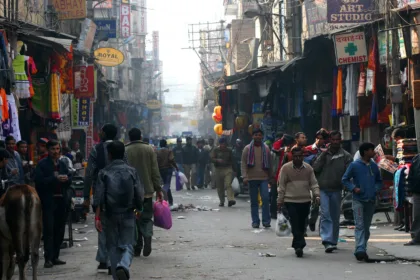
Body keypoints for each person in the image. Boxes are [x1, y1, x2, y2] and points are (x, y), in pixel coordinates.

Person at [94, 141, 144, 280]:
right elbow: (139, 193)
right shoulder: (132, 171)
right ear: (123, 154)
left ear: (109, 155)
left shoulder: (103, 172)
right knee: (128, 244)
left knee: (113, 247)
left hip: (110, 214)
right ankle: (124, 265)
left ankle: (117, 274)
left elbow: (98, 197)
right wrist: (139, 208)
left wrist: (97, 217)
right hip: (128, 213)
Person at [84, 123, 120, 272]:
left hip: (100, 195)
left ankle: (104, 259)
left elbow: (89, 173)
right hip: (119, 194)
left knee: (101, 225)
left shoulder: (96, 149)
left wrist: (86, 196)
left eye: (101, 131)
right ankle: (112, 260)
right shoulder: (120, 148)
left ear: (104, 133)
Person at [312, 131, 352, 252]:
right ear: (330, 140)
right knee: (325, 214)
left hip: (336, 189)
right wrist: (323, 156)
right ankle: (327, 240)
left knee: (335, 216)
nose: (335, 142)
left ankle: (333, 240)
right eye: (333, 140)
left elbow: (349, 173)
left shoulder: (345, 155)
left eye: (337, 140)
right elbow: (315, 168)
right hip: (323, 188)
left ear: (340, 140)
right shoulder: (322, 154)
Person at [34, 139, 72, 268]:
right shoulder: (42, 165)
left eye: (57, 149)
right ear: (48, 150)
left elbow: (69, 179)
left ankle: (55, 256)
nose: (55, 152)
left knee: (59, 230)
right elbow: (39, 182)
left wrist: (66, 179)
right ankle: (48, 259)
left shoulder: (62, 164)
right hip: (49, 202)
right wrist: (54, 178)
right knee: (49, 230)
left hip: (62, 200)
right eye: (53, 149)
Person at [342, 142, 382, 261]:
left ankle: (362, 248)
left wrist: (376, 189)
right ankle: (360, 249)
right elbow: (345, 179)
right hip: (358, 200)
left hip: (370, 201)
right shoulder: (354, 165)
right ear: (365, 152)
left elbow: (379, 181)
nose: (374, 152)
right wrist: (354, 188)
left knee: (366, 226)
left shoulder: (374, 166)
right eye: (371, 150)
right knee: (359, 225)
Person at [277, 146, 320, 258]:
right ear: (292, 156)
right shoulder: (285, 168)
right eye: (295, 156)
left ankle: (299, 243)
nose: (297, 158)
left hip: (305, 200)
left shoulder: (308, 168)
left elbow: (314, 183)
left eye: (300, 156)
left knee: (302, 224)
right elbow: (281, 185)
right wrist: (280, 200)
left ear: (303, 156)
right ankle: (299, 246)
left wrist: (317, 195)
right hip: (290, 200)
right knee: (295, 223)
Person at [125, 128, 162, 258]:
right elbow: (154, 170)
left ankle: (137, 246)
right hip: (146, 191)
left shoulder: (125, 150)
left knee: (134, 219)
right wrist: (158, 189)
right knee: (146, 218)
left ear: (129, 137)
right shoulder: (149, 149)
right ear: (141, 136)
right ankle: (147, 238)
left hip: (130, 193)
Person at [242, 128, 273, 228]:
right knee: (254, 201)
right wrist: (245, 176)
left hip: (264, 177)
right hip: (251, 178)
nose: (258, 137)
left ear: (262, 136)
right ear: (252, 136)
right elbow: (243, 163)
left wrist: (271, 177)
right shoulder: (247, 149)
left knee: (265, 199)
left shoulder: (266, 149)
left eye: (259, 135)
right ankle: (255, 221)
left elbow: (270, 163)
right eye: (256, 135)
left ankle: (266, 221)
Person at [270, 134, 295, 219]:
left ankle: (285, 213)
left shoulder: (293, 152)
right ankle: (274, 213)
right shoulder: (280, 151)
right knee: (275, 196)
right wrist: (281, 140)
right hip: (277, 177)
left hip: (288, 178)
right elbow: (275, 148)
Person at [211, 138, 236, 207]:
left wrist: (235, 170)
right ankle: (222, 201)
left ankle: (231, 199)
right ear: (219, 144)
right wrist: (217, 160)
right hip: (218, 169)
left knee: (228, 184)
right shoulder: (216, 150)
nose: (223, 145)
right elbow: (212, 158)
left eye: (224, 144)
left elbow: (232, 160)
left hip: (227, 168)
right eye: (222, 144)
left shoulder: (229, 150)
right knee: (220, 186)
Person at [157, 139, 178, 206]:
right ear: (166, 144)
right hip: (168, 169)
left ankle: (162, 201)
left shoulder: (157, 152)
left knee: (163, 185)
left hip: (161, 170)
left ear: (160, 144)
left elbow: (156, 161)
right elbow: (171, 159)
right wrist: (176, 167)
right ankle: (169, 201)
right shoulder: (169, 151)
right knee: (167, 185)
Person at [406, 153, 420, 246]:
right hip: (417, 191)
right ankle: (416, 238)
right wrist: (410, 188)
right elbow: (411, 175)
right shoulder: (416, 158)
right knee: (417, 215)